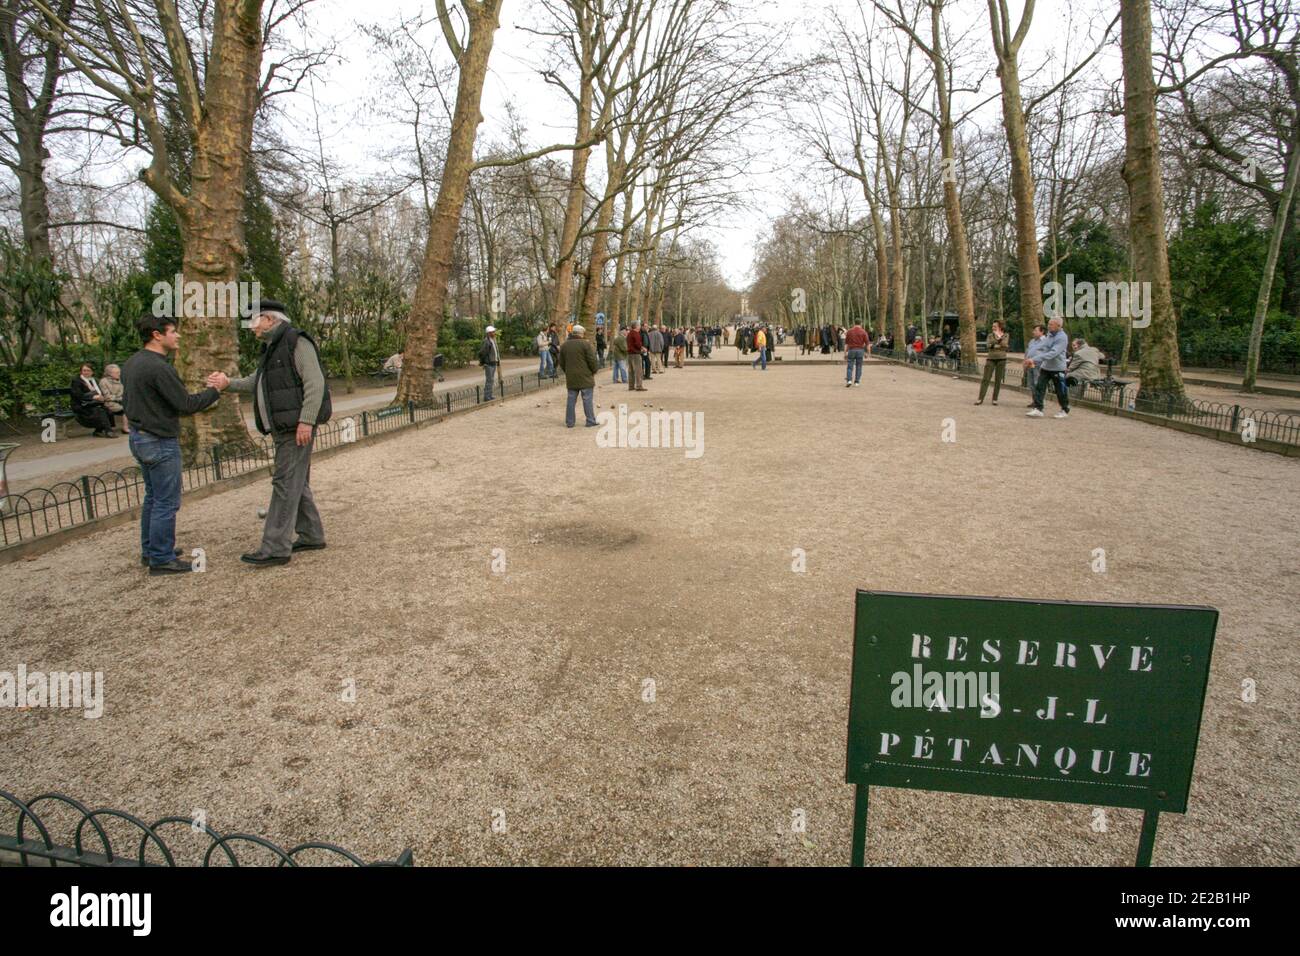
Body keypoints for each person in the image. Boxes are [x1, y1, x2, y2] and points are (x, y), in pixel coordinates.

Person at [207, 300, 332, 566]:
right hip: (286, 427)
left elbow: (315, 381)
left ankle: (275, 547)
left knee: (285, 484)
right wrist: (228, 384)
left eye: (254, 321)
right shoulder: (273, 348)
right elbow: (258, 381)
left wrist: (306, 422)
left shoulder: (296, 342)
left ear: (270, 319)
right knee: (296, 482)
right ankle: (311, 534)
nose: (252, 328)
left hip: (294, 427)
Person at [122, 314, 222, 574]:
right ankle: (162, 559)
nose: (177, 335)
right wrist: (216, 390)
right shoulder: (159, 368)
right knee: (166, 500)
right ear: (157, 335)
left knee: (153, 497)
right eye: (173, 331)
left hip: (139, 436)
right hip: (158, 439)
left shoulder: (133, 363)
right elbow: (185, 405)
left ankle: (152, 550)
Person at [1026, 317, 1070, 419]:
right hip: (1046, 367)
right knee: (1039, 386)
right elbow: (1044, 349)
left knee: (1060, 390)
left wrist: (1034, 359)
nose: (1048, 326)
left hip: (1058, 367)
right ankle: (1038, 408)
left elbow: (1053, 353)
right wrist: (1033, 359)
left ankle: (1064, 409)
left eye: (1051, 324)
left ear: (1058, 326)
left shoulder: (1062, 337)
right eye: (1049, 324)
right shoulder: (1049, 335)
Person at [558, 324, 599, 428]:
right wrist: (594, 371)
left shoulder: (564, 345)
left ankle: (570, 422)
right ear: (581, 333)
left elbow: (561, 362)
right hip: (585, 376)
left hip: (571, 377)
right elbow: (592, 360)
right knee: (587, 399)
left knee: (571, 400)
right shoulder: (585, 344)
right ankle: (590, 420)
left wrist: (567, 371)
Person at [70, 364, 118, 438]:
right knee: (100, 410)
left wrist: (103, 397)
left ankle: (98, 431)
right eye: (84, 370)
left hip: (94, 403)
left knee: (107, 408)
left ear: (92, 372)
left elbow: (101, 391)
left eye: (88, 370)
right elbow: (77, 395)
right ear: (81, 371)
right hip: (81, 405)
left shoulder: (95, 380)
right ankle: (109, 431)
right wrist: (94, 396)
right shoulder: (76, 381)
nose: (86, 372)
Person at [975, 321, 1009, 406]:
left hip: (1002, 359)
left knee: (998, 380)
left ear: (1000, 327)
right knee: (985, 379)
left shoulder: (1006, 335)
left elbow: (1005, 344)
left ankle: (995, 399)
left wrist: (997, 341)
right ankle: (980, 398)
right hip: (991, 358)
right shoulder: (990, 335)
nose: (993, 328)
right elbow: (988, 345)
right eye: (992, 326)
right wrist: (997, 345)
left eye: (995, 326)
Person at [98, 364, 129, 433]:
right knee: (126, 408)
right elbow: (107, 396)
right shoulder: (103, 381)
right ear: (109, 374)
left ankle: (138, 427)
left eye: (119, 372)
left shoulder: (121, 380)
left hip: (122, 401)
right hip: (109, 402)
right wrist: (119, 399)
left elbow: (125, 392)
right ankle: (125, 428)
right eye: (117, 373)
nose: (119, 374)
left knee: (135, 405)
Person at [1022, 324, 1047, 405]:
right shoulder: (1032, 341)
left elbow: (1046, 354)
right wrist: (1025, 361)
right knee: (1031, 384)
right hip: (1029, 365)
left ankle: (1039, 401)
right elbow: (1027, 351)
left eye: (1035, 330)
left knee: (1038, 383)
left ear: (1042, 331)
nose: (1033, 332)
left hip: (1038, 365)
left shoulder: (1046, 341)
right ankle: (1035, 400)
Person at [479, 325, 501, 400]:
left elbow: (495, 351)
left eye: (494, 331)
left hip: (493, 362)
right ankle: (486, 396)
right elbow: (482, 353)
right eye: (493, 332)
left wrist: (497, 361)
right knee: (489, 380)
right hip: (488, 364)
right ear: (489, 333)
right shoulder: (486, 341)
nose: (494, 333)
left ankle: (490, 395)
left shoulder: (493, 340)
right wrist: (483, 362)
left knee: (491, 380)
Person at [844, 321, 868, 387]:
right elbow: (867, 344)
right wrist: (868, 353)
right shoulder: (863, 332)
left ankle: (849, 380)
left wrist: (845, 353)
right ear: (861, 323)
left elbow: (846, 344)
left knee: (849, 366)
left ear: (854, 323)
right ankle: (857, 382)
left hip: (851, 350)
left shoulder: (849, 331)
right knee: (859, 366)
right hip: (860, 350)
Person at [626, 320, 647, 391]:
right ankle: (639, 386)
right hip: (635, 354)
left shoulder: (629, 333)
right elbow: (637, 343)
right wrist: (642, 348)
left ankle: (631, 386)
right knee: (638, 371)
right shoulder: (636, 333)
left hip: (629, 354)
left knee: (631, 371)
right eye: (639, 325)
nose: (640, 327)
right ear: (636, 326)